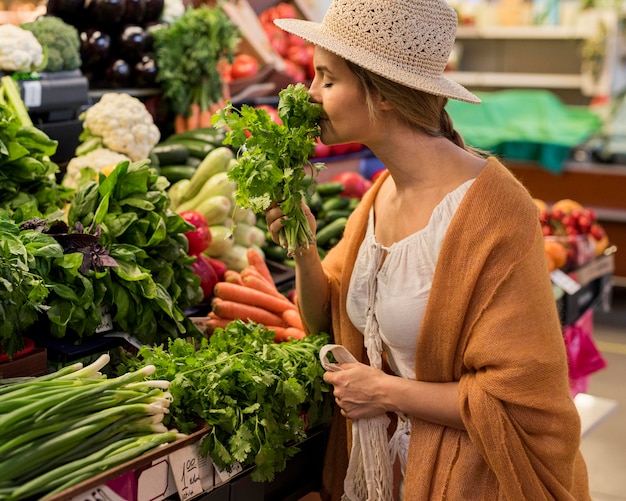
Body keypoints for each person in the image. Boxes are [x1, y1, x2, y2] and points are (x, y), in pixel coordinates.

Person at [266, 0, 592, 499]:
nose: (310, 95)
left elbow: (521, 400)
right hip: (386, 478)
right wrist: (303, 247)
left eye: (327, 80)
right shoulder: (380, 196)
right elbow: (324, 321)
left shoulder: (496, 211)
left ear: (384, 93)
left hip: (467, 482)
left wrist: (383, 391)